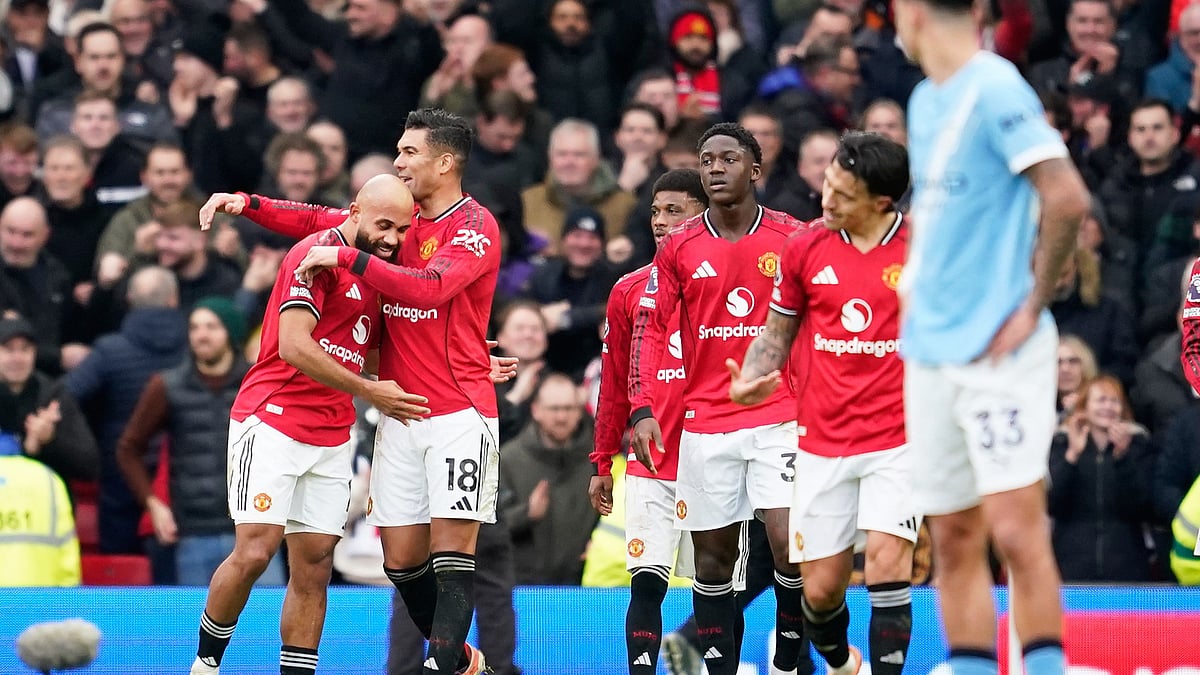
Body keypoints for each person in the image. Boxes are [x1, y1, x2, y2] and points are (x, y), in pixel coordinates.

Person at [892, 0, 1092, 673]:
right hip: (929, 353)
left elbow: (1066, 195)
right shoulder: (924, 99)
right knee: (953, 535)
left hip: (1000, 353)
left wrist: (1032, 304)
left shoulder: (997, 85)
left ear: (911, 11)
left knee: (1015, 529)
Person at [268, 108, 504, 675]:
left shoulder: (475, 226)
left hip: (458, 412)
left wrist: (347, 257)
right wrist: (245, 204)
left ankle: (442, 665)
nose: (398, 162)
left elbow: (431, 287)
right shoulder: (401, 219)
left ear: (444, 163)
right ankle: (466, 664)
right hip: (399, 413)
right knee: (400, 562)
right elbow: (320, 217)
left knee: (452, 556)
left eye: (409, 152)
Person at [188, 174, 431, 675]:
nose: (392, 238)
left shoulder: (381, 267)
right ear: (355, 213)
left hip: (333, 432)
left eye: (402, 229)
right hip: (273, 417)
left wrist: (460, 363)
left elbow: (379, 351)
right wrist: (370, 390)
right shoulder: (314, 255)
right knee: (255, 550)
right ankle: (206, 665)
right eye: (384, 226)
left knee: (315, 565)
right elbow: (294, 346)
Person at [729, 131, 916, 675]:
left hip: (901, 438)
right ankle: (840, 663)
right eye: (827, 184)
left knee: (886, 563)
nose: (826, 199)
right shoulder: (805, 246)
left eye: (843, 194)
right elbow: (775, 335)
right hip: (822, 440)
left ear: (881, 202)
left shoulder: (922, 250)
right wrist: (751, 379)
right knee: (820, 592)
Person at [628, 123, 806, 675]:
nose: (715, 168)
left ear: (755, 170)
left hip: (779, 414)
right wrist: (642, 407)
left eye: (729, 159)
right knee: (713, 560)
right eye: (707, 160)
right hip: (705, 422)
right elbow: (649, 330)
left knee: (788, 541)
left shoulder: (793, 237)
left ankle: (790, 658)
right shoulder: (680, 246)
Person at [589, 168, 707, 674]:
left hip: (715, 459)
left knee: (718, 591)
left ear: (705, 213)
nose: (660, 221)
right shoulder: (629, 290)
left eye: (674, 210)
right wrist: (601, 460)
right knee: (645, 585)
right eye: (656, 211)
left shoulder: (728, 283)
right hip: (650, 464)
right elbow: (613, 383)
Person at [116, 298, 287, 586]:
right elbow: (128, 448)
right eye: (194, 327)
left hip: (255, 527)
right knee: (202, 614)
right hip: (194, 532)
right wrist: (153, 504)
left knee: (266, 613)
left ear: (230, 333)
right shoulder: (168, 385)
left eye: (211, 327)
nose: (201, 335)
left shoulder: (258, 382)